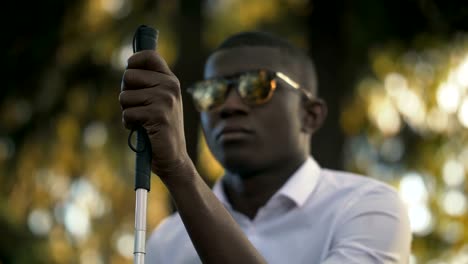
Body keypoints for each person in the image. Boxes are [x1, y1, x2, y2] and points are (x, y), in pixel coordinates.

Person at [119, 31, 412, 264]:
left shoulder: (366, 208)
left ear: (310, 115)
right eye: (213, 92)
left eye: (257, 86)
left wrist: (181, 171)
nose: (230, 106)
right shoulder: (166, 241)